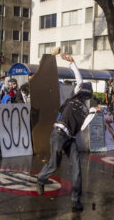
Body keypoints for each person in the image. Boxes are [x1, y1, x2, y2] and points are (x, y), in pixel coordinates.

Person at [36, 53, 100, 212]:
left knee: (77, 167)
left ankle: (75, 201)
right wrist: (73, 63)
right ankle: (41, 179)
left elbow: (83, 127)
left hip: (70, 139)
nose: (84, 94)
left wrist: (92, 112)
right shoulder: (74, 98)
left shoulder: (86, 109)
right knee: (54, 164)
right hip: (58, 134)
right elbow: (79, 80)